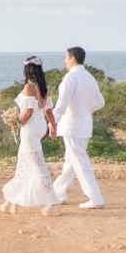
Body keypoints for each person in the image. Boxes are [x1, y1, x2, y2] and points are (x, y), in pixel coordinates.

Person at [0, 56, 60, 216]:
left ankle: (50, 203)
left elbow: (28, 112)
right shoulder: (43, 87)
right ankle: (11, 202)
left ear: (27, 70)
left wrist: (16, 121)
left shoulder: (29, 87)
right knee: (23, 164)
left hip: (30, 128)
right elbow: (48, 110)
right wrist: (53, 126)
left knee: (37, 165)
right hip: (40, 126)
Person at [52, 46, 107, 209]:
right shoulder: (89, 77)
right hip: (85, 126)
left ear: (73, 58)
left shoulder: (71, 78)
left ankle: (95, 198)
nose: (64, 60)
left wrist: (50, 123)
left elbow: (61, 105)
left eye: (66, 57)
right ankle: (57, 193)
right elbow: (100, 102)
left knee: (80, 162)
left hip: (71, 127)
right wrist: (85, 110)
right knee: (71, 163)